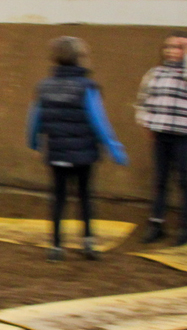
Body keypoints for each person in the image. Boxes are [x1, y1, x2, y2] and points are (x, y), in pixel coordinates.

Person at [26, 36, 127, 260]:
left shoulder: (44, 87)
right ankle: (88, 243)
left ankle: (55, 246)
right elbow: (98, 120)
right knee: (85, 197)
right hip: (84, 153)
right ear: (81, 58)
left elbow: (34, 118)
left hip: (56, 152)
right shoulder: (87, 87)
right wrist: (114, 148)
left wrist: (33, 143)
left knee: (58, 197)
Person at [135, 34, 187, 245]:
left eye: (178, 47)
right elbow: (144, 99)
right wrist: (145, 122)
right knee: (161, 179)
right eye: (168, 46)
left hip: (183, 134)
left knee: (184, 180)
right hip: (161, 134)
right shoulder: (155, 73)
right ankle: (156, 223)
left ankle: (185, 227)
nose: (171, 50)